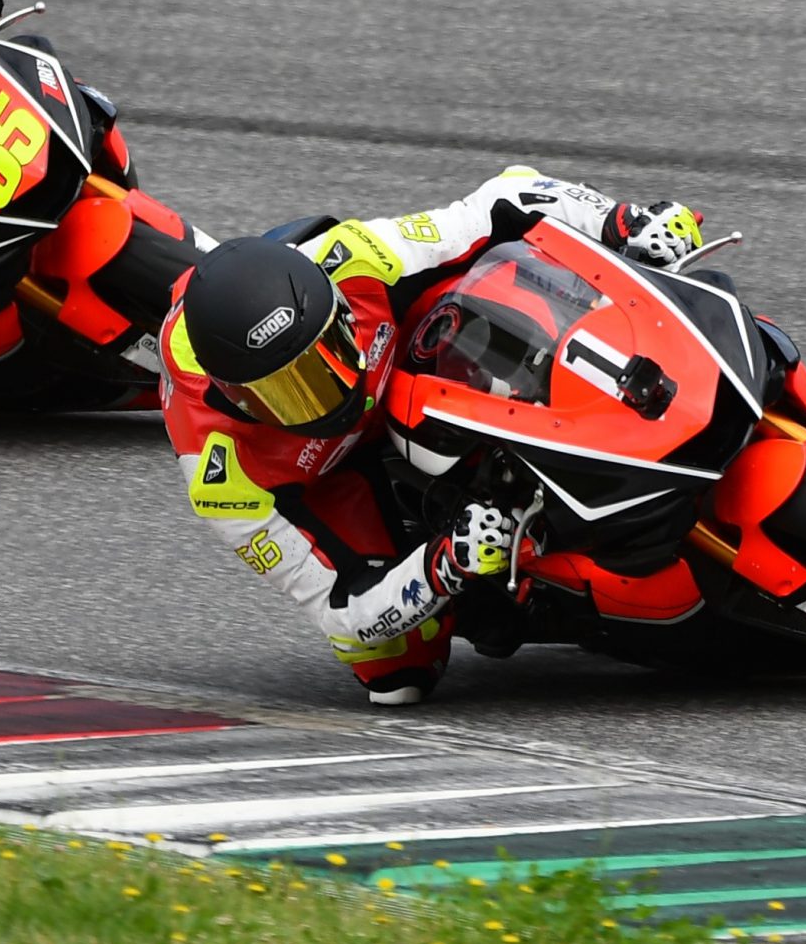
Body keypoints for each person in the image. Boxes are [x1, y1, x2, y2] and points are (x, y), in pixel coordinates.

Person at [157, 168, 706, 704]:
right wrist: (443, 564)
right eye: (289, 392)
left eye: (329, 353)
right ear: (235, 396)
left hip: (407, 357)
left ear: (339, 310)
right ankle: (523, 590)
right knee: (396, 670)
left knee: (506, 278)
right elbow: (340, 610)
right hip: (330, 477)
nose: (327, 394)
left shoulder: (355, 257)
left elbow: (501, 202)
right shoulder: (221, 472)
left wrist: (621, 221)